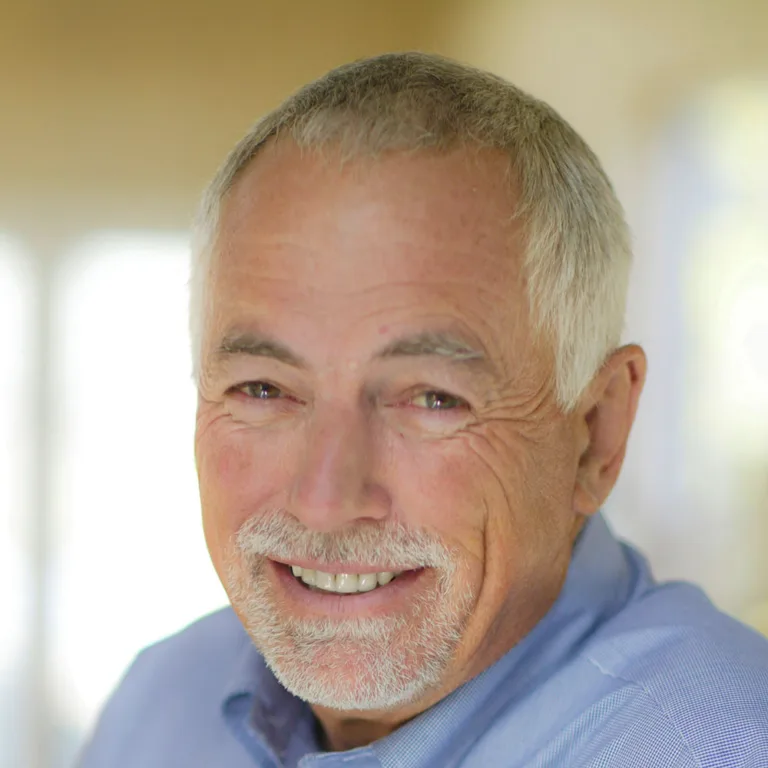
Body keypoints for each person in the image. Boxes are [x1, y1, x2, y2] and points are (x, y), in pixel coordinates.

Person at [78, 52, 768, 767]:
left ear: (596, 433)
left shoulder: (723, 746)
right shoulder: (157, 706)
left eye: (432, 399)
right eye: (264, 389)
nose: (325, 501)